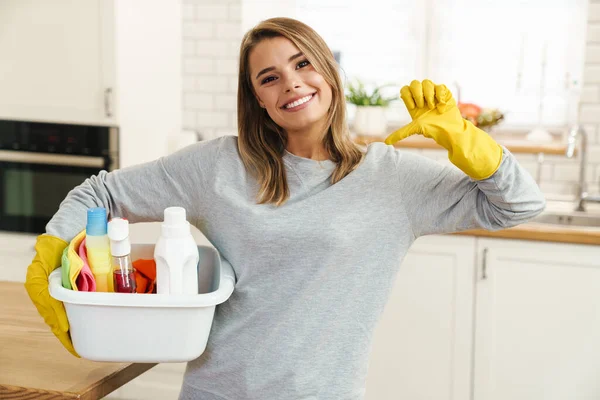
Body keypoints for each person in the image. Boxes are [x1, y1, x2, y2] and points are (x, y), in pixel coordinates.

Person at [25, 17, 545, 400]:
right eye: (268, 77)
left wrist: (465, 141)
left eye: (302, 64)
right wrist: (54, 246)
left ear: (329, 71)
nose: (292, 83)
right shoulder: (219, 166)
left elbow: (518, 205)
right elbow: (100, 193)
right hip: (215, 393)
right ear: (256, 99)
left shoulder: (393, 178)